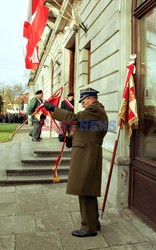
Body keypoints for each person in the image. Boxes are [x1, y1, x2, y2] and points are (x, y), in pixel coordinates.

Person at [44, 87, 108, 237]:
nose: (83, 104)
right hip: (88, 152)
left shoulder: (94, 109)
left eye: (84, 100)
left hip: (88, 154)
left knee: (84, 190)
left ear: (91, 98)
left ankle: (88, 228)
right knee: (87, 190)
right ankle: (93, 223)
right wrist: (69, 138)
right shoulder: (95, 112)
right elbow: (87, 130)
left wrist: (54, 109)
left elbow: (75, 118)